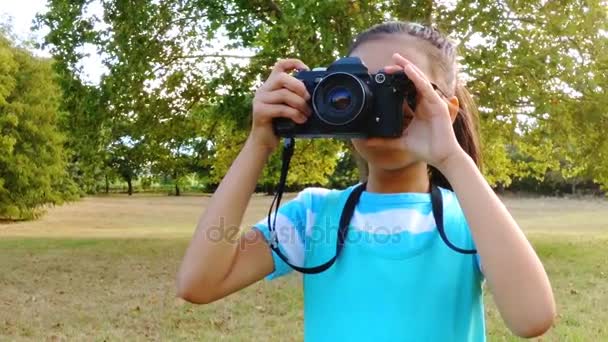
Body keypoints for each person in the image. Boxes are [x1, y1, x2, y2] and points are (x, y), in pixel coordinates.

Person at [176, 21, 556, 341]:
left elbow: (532, 318)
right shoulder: (312, 217)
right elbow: (199, 283)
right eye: (360, 88)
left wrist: (450, 156)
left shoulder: (471, 219)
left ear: (447, 108)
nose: (378, 105)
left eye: (402, 89)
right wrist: (258, 143)